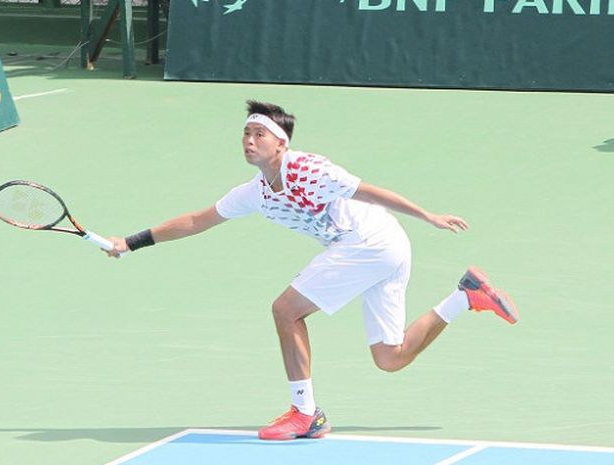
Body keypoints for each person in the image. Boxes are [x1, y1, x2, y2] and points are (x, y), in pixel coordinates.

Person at [105, 100, 519, 441]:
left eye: (259, 134)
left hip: (370, 241)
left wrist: (427, 215)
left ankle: (305, 413)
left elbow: (369, 190)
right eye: (246, 135)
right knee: (390, 359)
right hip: (385, 248)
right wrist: (132, 241)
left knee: (286, 310)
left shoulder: (309, 169)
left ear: (281, 144)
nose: (249, 141)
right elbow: (197, 220)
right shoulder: (254, 193)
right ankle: (466, 295)